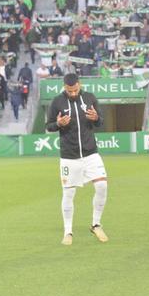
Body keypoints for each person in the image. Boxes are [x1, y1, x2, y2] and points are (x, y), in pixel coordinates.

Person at [45, 73, 107, 246]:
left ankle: (96, 224)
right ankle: (68, 232)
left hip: (91, 153)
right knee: (69, 193)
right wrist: (58, 124)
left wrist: (96, 119)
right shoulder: (57, 102)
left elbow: (101, 122)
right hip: (69, 156)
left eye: (75, 90)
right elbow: (48, 126)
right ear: (64, 87)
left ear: (80, 84)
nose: (72, 93)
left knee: (102, 185)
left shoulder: (90, 98)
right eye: (69, 90)